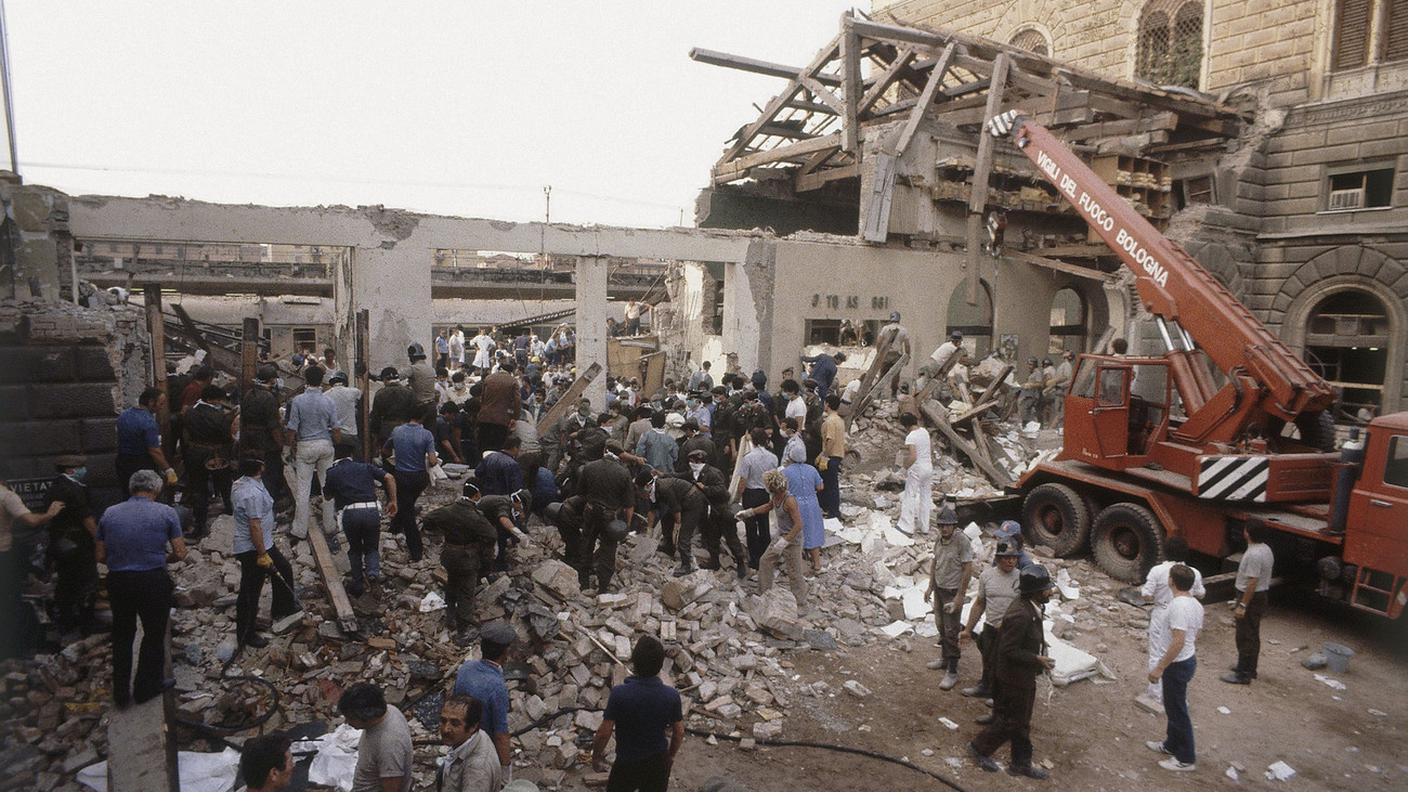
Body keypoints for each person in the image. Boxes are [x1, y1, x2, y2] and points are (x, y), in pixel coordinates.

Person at [97, 469, 187, 706]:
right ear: (156, 489)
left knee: (122, 634)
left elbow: (99, 555)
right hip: (152, 580)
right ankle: (146, 688)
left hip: (118, 581)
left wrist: (123, 560)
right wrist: (158, 559)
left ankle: (120, 694)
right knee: (154, 634)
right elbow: (180, 552)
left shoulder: (109, 513)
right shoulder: (166, 513)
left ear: (131, 488)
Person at [969, 564, 1057, 780]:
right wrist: (1036, 658)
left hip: (1023, 676)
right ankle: (979, 748)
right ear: (1035, 591)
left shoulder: (1029, 606)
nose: (1050, 591)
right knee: (1010, 721)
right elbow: (1008, 650)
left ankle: (1021, 764)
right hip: (1013, 679)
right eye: (1046, 589)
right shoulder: (1021, 614)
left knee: (1022, 721)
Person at [592, 635, 685, 792]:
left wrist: (596, 757)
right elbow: (679, 733)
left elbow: (603, 733)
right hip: (657, 763)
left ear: (634, 662)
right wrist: (670, 756)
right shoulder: (671, 696)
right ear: (660, 664)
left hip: (627, 763)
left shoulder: (619, 694)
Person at [231, 458, 302, 648]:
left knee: (283, 569)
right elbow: (254, 525)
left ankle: (282, 608)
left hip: (263, 542)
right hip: (254, 547)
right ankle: (246, 634)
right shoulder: (251, 494)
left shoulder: (247, 482)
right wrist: (262, 554)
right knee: (251, 590)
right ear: (259, 467)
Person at [1147, 564, 1203, 772]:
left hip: (1177, 663)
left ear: (1171, 581)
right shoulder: (1196, 604)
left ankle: (1186, 757)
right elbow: (1195, 635)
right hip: (1186, 659)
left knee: (1178, 710)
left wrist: (1160, 667)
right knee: (1172, 705)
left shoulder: (1178, 606)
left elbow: (1178, 640)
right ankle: (1171, 744)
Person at [1138, 536, 1205, 712]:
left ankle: (1156, 693)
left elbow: (1146, 594)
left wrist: (1152, 595)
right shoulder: (1194, 572)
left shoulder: (1158, 570)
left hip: (1162, 613)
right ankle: (1176, 693)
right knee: (1180, 651)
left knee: (1157, 652)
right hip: (1186, 613)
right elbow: (1201, 593)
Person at [423, 482, 498, 635]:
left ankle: (450, 618)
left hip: (449, 555)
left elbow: (428, 519)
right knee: (466, 592)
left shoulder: (447, 510)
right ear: (476, 495)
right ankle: (463, 629)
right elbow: (491, 535)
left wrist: (440, 531)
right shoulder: (475, 517)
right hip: (467, 558)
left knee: (452, 584)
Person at [322, 445, 397, 596]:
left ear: (335, 456)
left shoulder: (332, 472)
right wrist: (393, 501)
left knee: (355, 549)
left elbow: (327, 496)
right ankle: (373, 573)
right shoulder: (365, 467)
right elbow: (389, 477)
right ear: (351, 454)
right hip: (371, 510)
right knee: (371, 547)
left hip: (350, 513)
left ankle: (357, 583)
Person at [0, 482, 62, 659]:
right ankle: (14, 651)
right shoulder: (6, 496)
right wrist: (50, 513)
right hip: (2, 554)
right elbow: (31, 520)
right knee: (10, 604)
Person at [960, 542, 1023, 707]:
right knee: (988, 659)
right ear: (998, 558)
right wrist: (968, 630)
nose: (1011, 561)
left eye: (1014, 558)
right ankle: (985, 686)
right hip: (991, 626)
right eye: (1007, 558)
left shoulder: (1022, 578)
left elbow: (1026, 607)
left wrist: (1009, 622)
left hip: (1011, 630)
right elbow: (980, 603)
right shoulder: (986, 576)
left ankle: (1001, 697)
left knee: (1006, 665)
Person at [44, 455, 99, 634]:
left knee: (66, 583)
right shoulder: (74, 489)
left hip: (60, 543)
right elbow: (86, 518)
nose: (84, 470)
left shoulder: (54, 487)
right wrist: (99, 539)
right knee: (87, 581)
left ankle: (66, 622)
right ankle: (87, 625)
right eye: (81, 467)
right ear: (71, 470)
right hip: (78, 544)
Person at [452, 622, 517, 769]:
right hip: (481, 751)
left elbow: (453, 701)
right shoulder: (496, 686)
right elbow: (500, 735)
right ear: (505, 652)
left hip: (460, 741)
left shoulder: (466, 668)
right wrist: (506, 768)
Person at [287, 366, 340, 541]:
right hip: (325, 444)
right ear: (322, 379)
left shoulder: (298, 401)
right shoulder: (329, 401)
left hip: (305, 446)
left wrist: (291, 447)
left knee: (303, 489)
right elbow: (336, 429)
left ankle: (299, 530)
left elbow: (292, 428)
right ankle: (330, 525)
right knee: (328, 487)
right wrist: (335, 443)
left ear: (305, 379)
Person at [737, 469, 806, 603]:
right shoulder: (776, 497)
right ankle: (763, 591)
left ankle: (800, 601)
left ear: (772, 487)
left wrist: (785, 541)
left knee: (794, 572)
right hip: (780, 535)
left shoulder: (789, 501)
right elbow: (767, 507)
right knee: (765, 561)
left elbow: (799, 525)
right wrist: (749, 512)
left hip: (792, 540)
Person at [925, 504, 974, 690]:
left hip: (953, 590)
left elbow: (968, 568)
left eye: (948, 525)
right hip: (939, 587)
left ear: (954, 525)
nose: (944, 528)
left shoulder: (962, 541)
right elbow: (935, 561)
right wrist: (930, 586)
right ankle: (944, 659)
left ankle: (953, 670)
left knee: (952, 629)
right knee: (940, 625)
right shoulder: (939, 540)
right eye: (941, 525)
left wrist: (960, 596)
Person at [181, 384, 236, 540]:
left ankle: (199, 527)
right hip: (216, 454)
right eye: (218, 399)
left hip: (194, 453)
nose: (220, 402)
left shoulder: (190, 412)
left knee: (199, 489)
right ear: (211, 399)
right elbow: (226, 436)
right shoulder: (218, 416)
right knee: (225, 485)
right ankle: (231, 512)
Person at [574, 454, 635, 591]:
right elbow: (629, 505)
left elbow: (580, 492)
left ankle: (583, 583)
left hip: (590, 511)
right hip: (609, 516)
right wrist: (627, 525)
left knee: (586, 544)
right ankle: (603, 588)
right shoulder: (623, 473)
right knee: (608, 550)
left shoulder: (589, 467)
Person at [1223, 520, 1273, 685]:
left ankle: (1243, 674)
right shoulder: (1265, 549)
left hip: (1251, 597)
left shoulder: (1253, 555)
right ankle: (1249, 669)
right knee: (1252, 634)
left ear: (1247, 533)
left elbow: (1252, 581)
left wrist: (1243, 605)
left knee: (1244, 636)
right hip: (1259, 596)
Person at [339, 683, 413, 792]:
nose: (347, 722)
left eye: (350, 718)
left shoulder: (389, 745)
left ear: (365, 717)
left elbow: (392, 788)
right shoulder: (390, 710)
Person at [385, 411, 438, 562]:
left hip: (401, 476)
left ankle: (410, 544)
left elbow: (385, 450)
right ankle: (402, 535)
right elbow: (433, 461)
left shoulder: (397, 431)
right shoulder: (426, 435)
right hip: (419, 477)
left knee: (406, 508)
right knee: (407, 507)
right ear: (422, 418)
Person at [242, 365, 288, 507]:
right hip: (266, 443)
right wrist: (281, 445)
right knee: (270, 475)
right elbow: (273, 426)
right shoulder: (269, 398)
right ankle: (268, 506)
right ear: (272, 380)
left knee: (253, 474)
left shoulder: (249, 394)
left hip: (249, 441)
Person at [115, 386, 177, 492]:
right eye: (161, 403)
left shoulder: (124, 415)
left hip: (122, 461)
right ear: (151, 402)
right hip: (141, 463)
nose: (162, 407)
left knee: (127, 493)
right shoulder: (148, 422)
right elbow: (154, 451)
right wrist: (168, 469)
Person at [733, 428, 779, 570]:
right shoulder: (773, 457)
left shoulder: (748, 458)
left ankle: (754, 560)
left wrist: (737, 498)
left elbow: (743, 481)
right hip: (765, 494)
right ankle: (766, 557)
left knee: (751, 527)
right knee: (764, 525)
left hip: (751, 494)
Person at [438, 694, 503, 792]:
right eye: (443, 721)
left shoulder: (477, 772)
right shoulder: (476, 736)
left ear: (473, 727)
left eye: (455, 723)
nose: (446, 729)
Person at [780, 442, 825, 574]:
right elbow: (820, 487)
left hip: (794, 503)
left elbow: (781, 489)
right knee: (812, 532)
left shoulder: (785, 472)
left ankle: (798, 566)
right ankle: (816, 564)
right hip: (812, 503)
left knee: (795, 533)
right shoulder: (812, 469)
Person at [896, 413, 933, 534]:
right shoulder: (924, 431)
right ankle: (924, 527)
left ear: (905, 425)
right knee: (925, 497)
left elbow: (912, 456)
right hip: (928, 467)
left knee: (910, 496)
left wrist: (904, 468)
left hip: (917, 468)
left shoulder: (911, 436)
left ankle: (906, 526)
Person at [370, 366, 417, 452]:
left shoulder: (380, 394)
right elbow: (414, 412)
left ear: (384, 379)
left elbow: (376, 416)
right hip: (405, 428)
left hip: (387, 430)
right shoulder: (409, 392)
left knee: (387, 456)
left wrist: (375, 434)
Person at [477, 360, 521, 453]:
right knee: (498, 446)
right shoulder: (513, 381)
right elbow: (517, 401)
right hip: (502, 419)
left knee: (483, 445)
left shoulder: (489, 378)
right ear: (511, 372)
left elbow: (482, 398)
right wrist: (515, 417)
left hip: (485, 416)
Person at [818, 394, 846, 520]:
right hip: (838, 454)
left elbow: (830, 439)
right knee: (830, 484)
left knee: (829, 485)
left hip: (831, 455)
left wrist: (825, 455)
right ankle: (828, 509)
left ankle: (833, 511)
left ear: (827, 404)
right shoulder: (839, 420)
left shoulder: (830, 421)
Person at [326, 372, 363, 460]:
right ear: (345, 382)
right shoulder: (352, 392)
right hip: (350, 435)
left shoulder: (325, 395)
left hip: (333, 435)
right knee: (358, 459)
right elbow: (361, 389)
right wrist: (360, 376)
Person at [876, 311, 912, 398]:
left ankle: (878, 393)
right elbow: (907, 345)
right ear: (899, 319)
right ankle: (893, 394)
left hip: (886, 354)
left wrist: (879, 353)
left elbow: (879, 342)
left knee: (883, 374)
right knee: (895, 375)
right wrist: (907, 356)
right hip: (897, 355)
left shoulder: (885, 328)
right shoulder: (903, 330)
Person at [407, 343, 440, 424]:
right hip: (432, 406)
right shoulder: (431, 369)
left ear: (412, 357)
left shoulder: (413, 369)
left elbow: (396, 377)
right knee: (431, 434)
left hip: (420, 408)